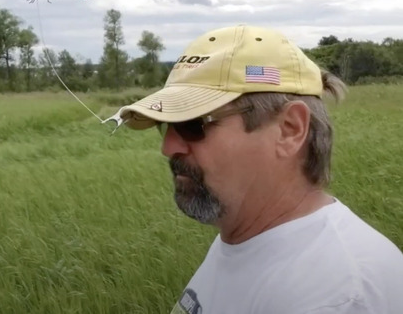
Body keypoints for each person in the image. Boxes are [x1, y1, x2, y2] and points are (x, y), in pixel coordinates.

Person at [107, 24, 403, 313]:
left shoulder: (335, 296)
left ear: (289, 130)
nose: (169, 147)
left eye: (192, 124)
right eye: (167, 125)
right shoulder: (247, 240)